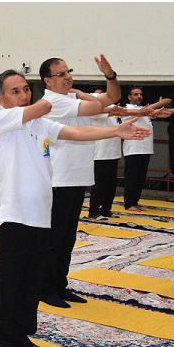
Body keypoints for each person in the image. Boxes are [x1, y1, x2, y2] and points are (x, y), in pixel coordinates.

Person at [0, 70, 150, 347]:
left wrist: (114, 131)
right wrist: (64, 98)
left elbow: (76, 132)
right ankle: (2, 337)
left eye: (26, 89)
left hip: (40, 212)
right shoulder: (0, 118)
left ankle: (21, 334)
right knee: (10, 278)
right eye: (16, 91)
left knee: (32, 278)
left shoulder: (39, 122)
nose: (24, 95)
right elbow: (44, 106)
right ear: (0, 97)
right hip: (15, 212)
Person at [38, 55, 119, 308]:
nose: (68, 77)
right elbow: (97, 107)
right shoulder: (51, 102)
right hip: (59, 178)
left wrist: (110, 76)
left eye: (68, 72)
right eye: (60, 74)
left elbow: (112, 98)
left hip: (77, 175)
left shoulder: (71, 98)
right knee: (54, 237)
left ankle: (59, 284)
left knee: (68, 237)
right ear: (47, 81)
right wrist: (84, 95)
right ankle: (45, 288)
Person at [119, 90, 172, 211]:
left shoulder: (144, 111)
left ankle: (134, 201)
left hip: (145, 149)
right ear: (129, 97)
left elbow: (150, 112)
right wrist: (160, 103)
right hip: (134, 148)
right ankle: (129, 203)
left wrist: (159, 110)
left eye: (141, 94)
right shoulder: (127, 109)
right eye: (135, 94)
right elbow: (144, 111)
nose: (139, 96)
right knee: (132, 177)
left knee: (140, 178)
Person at [89, 87, 126, 221]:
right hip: (101, 154)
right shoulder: (93, 110)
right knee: (99, 184)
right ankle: (93, 211)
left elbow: (121, 113)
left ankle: (106, 209)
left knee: (110, 185)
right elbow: (104, 111)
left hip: (113, 152)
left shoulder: (111, 108)